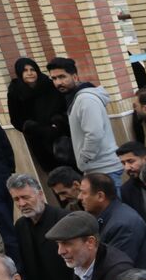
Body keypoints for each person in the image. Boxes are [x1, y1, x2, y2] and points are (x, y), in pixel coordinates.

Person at [46, 57, 123, 188]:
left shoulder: (85, 99)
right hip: (96, 169)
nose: (58, 82)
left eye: (62, 77)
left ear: (75, 77)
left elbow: (94, 134)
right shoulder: (76, 98)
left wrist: (84, 159)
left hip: (104, 169)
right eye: (54, 78)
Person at [7, 173, 74, 280]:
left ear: (40, 194)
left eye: (26, 197)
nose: (21, 204)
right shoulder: (20, 225)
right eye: (16, 199)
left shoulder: (65, 219)